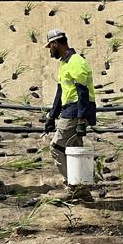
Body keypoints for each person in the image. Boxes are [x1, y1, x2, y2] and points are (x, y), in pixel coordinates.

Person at [43, 29, 96, 195]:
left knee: (56, 147)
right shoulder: (64, 63)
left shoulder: (76, 62)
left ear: (55, 43)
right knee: (74, 150)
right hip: (70, 110)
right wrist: (52, 116)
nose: (50, 50)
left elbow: (82, 92)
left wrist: (81, 119)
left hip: (76, 110)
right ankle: (83, 190)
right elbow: (60, 92)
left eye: (50, 46)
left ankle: (74, 186)